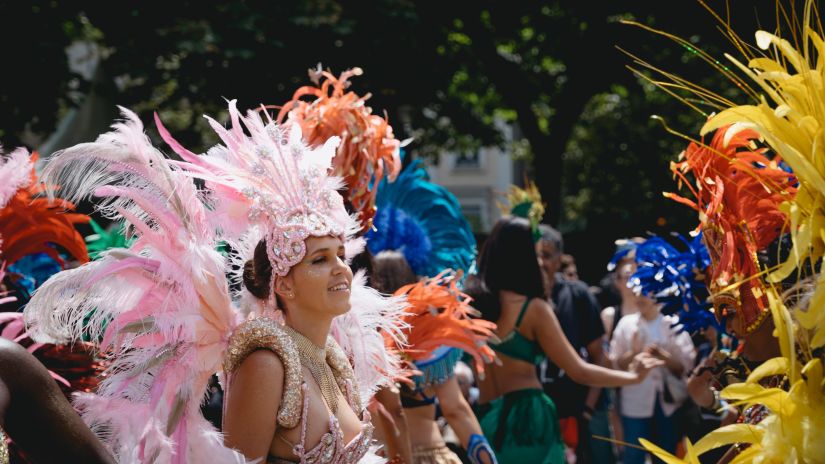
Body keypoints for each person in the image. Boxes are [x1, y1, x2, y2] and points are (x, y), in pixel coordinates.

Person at [25, 103, 406, 463]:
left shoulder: (333, 361)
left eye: (341, 254)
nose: (341, 268)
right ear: (284, 285)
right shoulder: (267, 363)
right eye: (320, 260)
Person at [466, 216, 662, 463]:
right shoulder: (533, 308)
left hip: (485, 418)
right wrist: (633, 377)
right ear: (523, 256)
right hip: (526, 420)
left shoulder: (472, 306)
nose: (540, 261)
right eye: (536, 253)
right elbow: (579, 371)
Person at [535, 224, 606, 463]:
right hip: (531, 415)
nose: (540, 262)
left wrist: (586, 410)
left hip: (572, 413)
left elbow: (599, 356)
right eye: (534, 254)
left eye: (546, 255)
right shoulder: (517, 299)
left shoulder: (578, 296)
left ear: (559, 259)